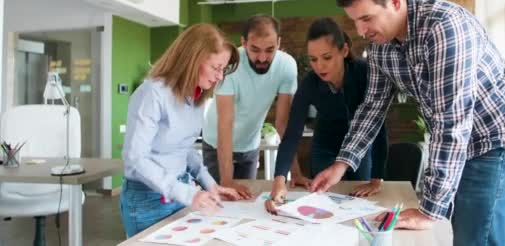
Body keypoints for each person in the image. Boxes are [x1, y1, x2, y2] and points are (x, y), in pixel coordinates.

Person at [310, 0, 505, 246]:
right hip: (464, 142)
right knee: (464, 231)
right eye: (354, 21)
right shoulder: (380, 46)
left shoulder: (445, 28)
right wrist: (342, 163)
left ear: (394, 2)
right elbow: (372, 108)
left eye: (366, 18)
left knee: (475, 238)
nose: (360, 31)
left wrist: (429, 210)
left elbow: (451, 121)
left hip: (500, 141)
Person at [120, 23, 241, 237]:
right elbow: (135, 158)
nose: (220, 76)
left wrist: (210, 184)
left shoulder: (196, 96)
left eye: (223, 70)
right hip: (147, 201)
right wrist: (187, 194)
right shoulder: (152, 93)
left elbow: (184, 148)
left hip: (180, 194)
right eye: (216, 67)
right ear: (193, 59)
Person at [265, 17, 388, 213]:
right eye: (313, 59)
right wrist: (280, 179)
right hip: (324, 145)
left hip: (360, 147)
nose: (319, 66)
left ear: (344, 51)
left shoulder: (364, 73)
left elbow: (378, 126)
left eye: (327, 57)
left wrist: (376, 179)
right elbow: (292, 134)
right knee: (323, 202)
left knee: (359, 203)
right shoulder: (309, 84)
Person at [202, 14, 298, 199]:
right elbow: (225, 123)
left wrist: (295, 172)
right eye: (255, 49)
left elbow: (283, 123)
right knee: (220, 202)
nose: (262, 58)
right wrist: (227, 180)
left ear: (278, 43)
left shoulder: (287, 66)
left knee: (247, 202)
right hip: (216, 145)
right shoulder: (230, 66)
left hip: (250, 146)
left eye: (270, 50)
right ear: (244, 43)